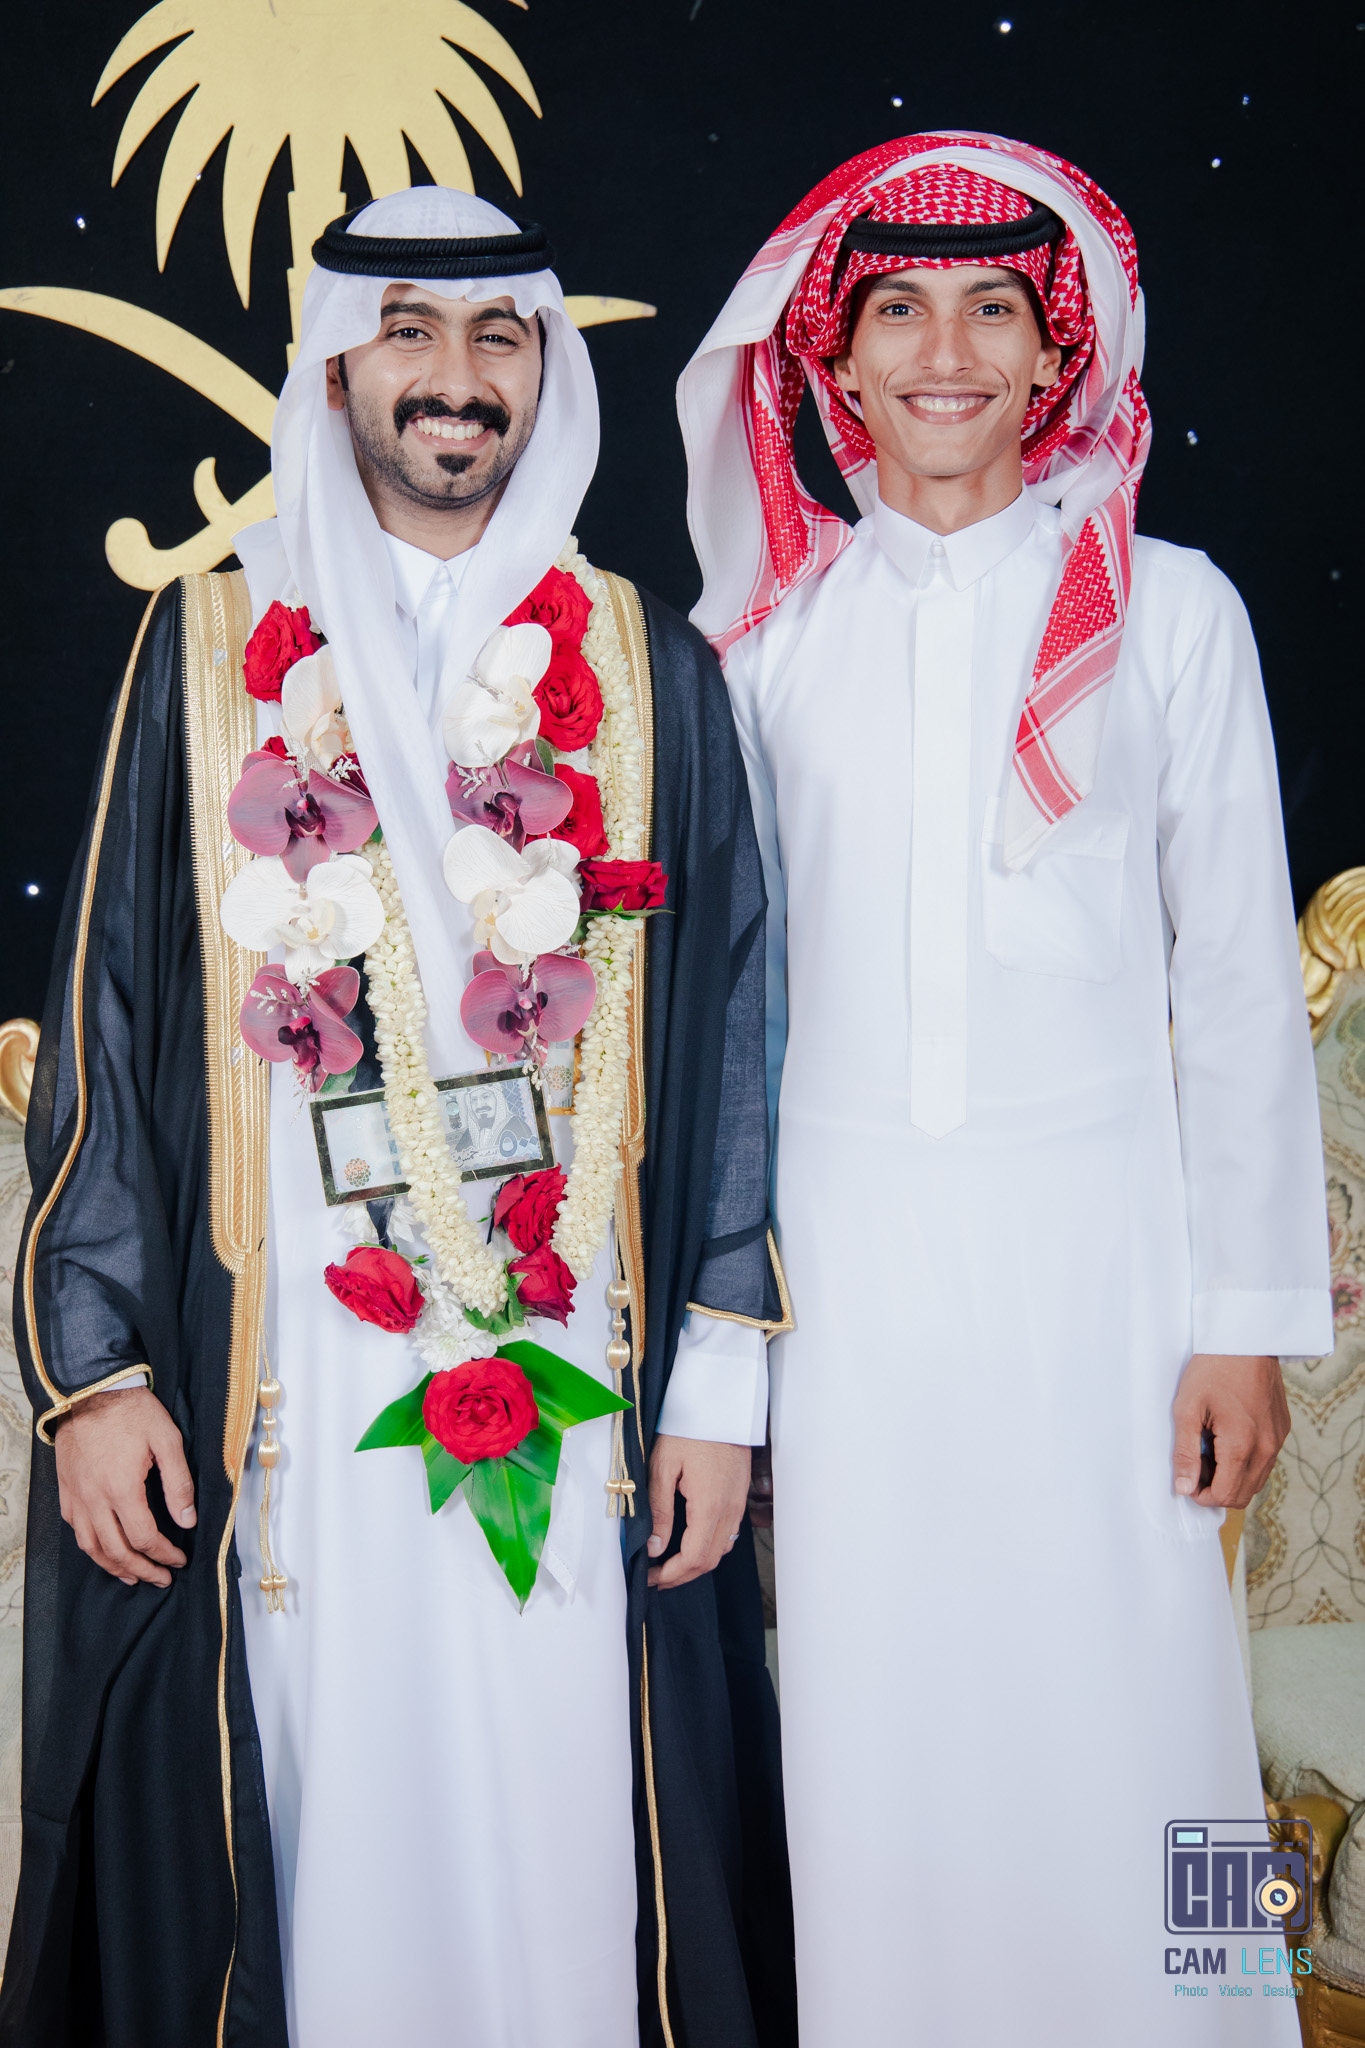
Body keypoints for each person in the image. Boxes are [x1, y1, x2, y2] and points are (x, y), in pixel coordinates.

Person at [5, 188, 795, 2048]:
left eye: (497, 339)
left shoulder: (646, 663)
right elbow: (109, 1016)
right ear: (338, 368)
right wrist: (97, 1376)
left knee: (565, 1804)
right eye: (411, 336)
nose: (455, 380)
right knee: (323, 1799)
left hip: (579, 1364)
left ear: (544, 374)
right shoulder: (211, 644)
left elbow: (731, 1037)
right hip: (288, 1363)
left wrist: (716, 1388)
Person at [677, 131, 1331, 2044]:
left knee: (1163, 1710)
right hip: (854, 1293)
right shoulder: (765, 644)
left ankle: (1225, 2022)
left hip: (1108, 1286)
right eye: (896, 311)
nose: (943, 353)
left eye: (989, 310)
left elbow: (1238, 988)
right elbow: (725, 1027)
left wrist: (1242, 1324)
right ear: (834, 356)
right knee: (879, 1732)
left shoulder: (1176, 611)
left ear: (1057, 353)